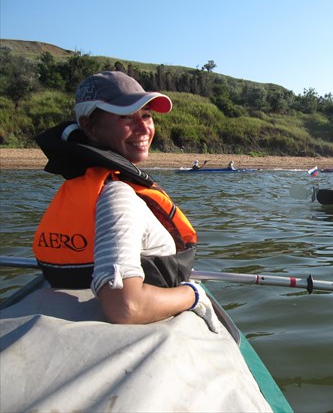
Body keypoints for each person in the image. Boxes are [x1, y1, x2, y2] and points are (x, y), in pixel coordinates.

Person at [32, 71, 219, 332]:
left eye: (146, 115)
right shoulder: (118, 196)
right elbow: (125, 307)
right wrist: (193, 295)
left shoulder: (97, 185)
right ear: (89, 125)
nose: (144, 128)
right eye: (126, 117)